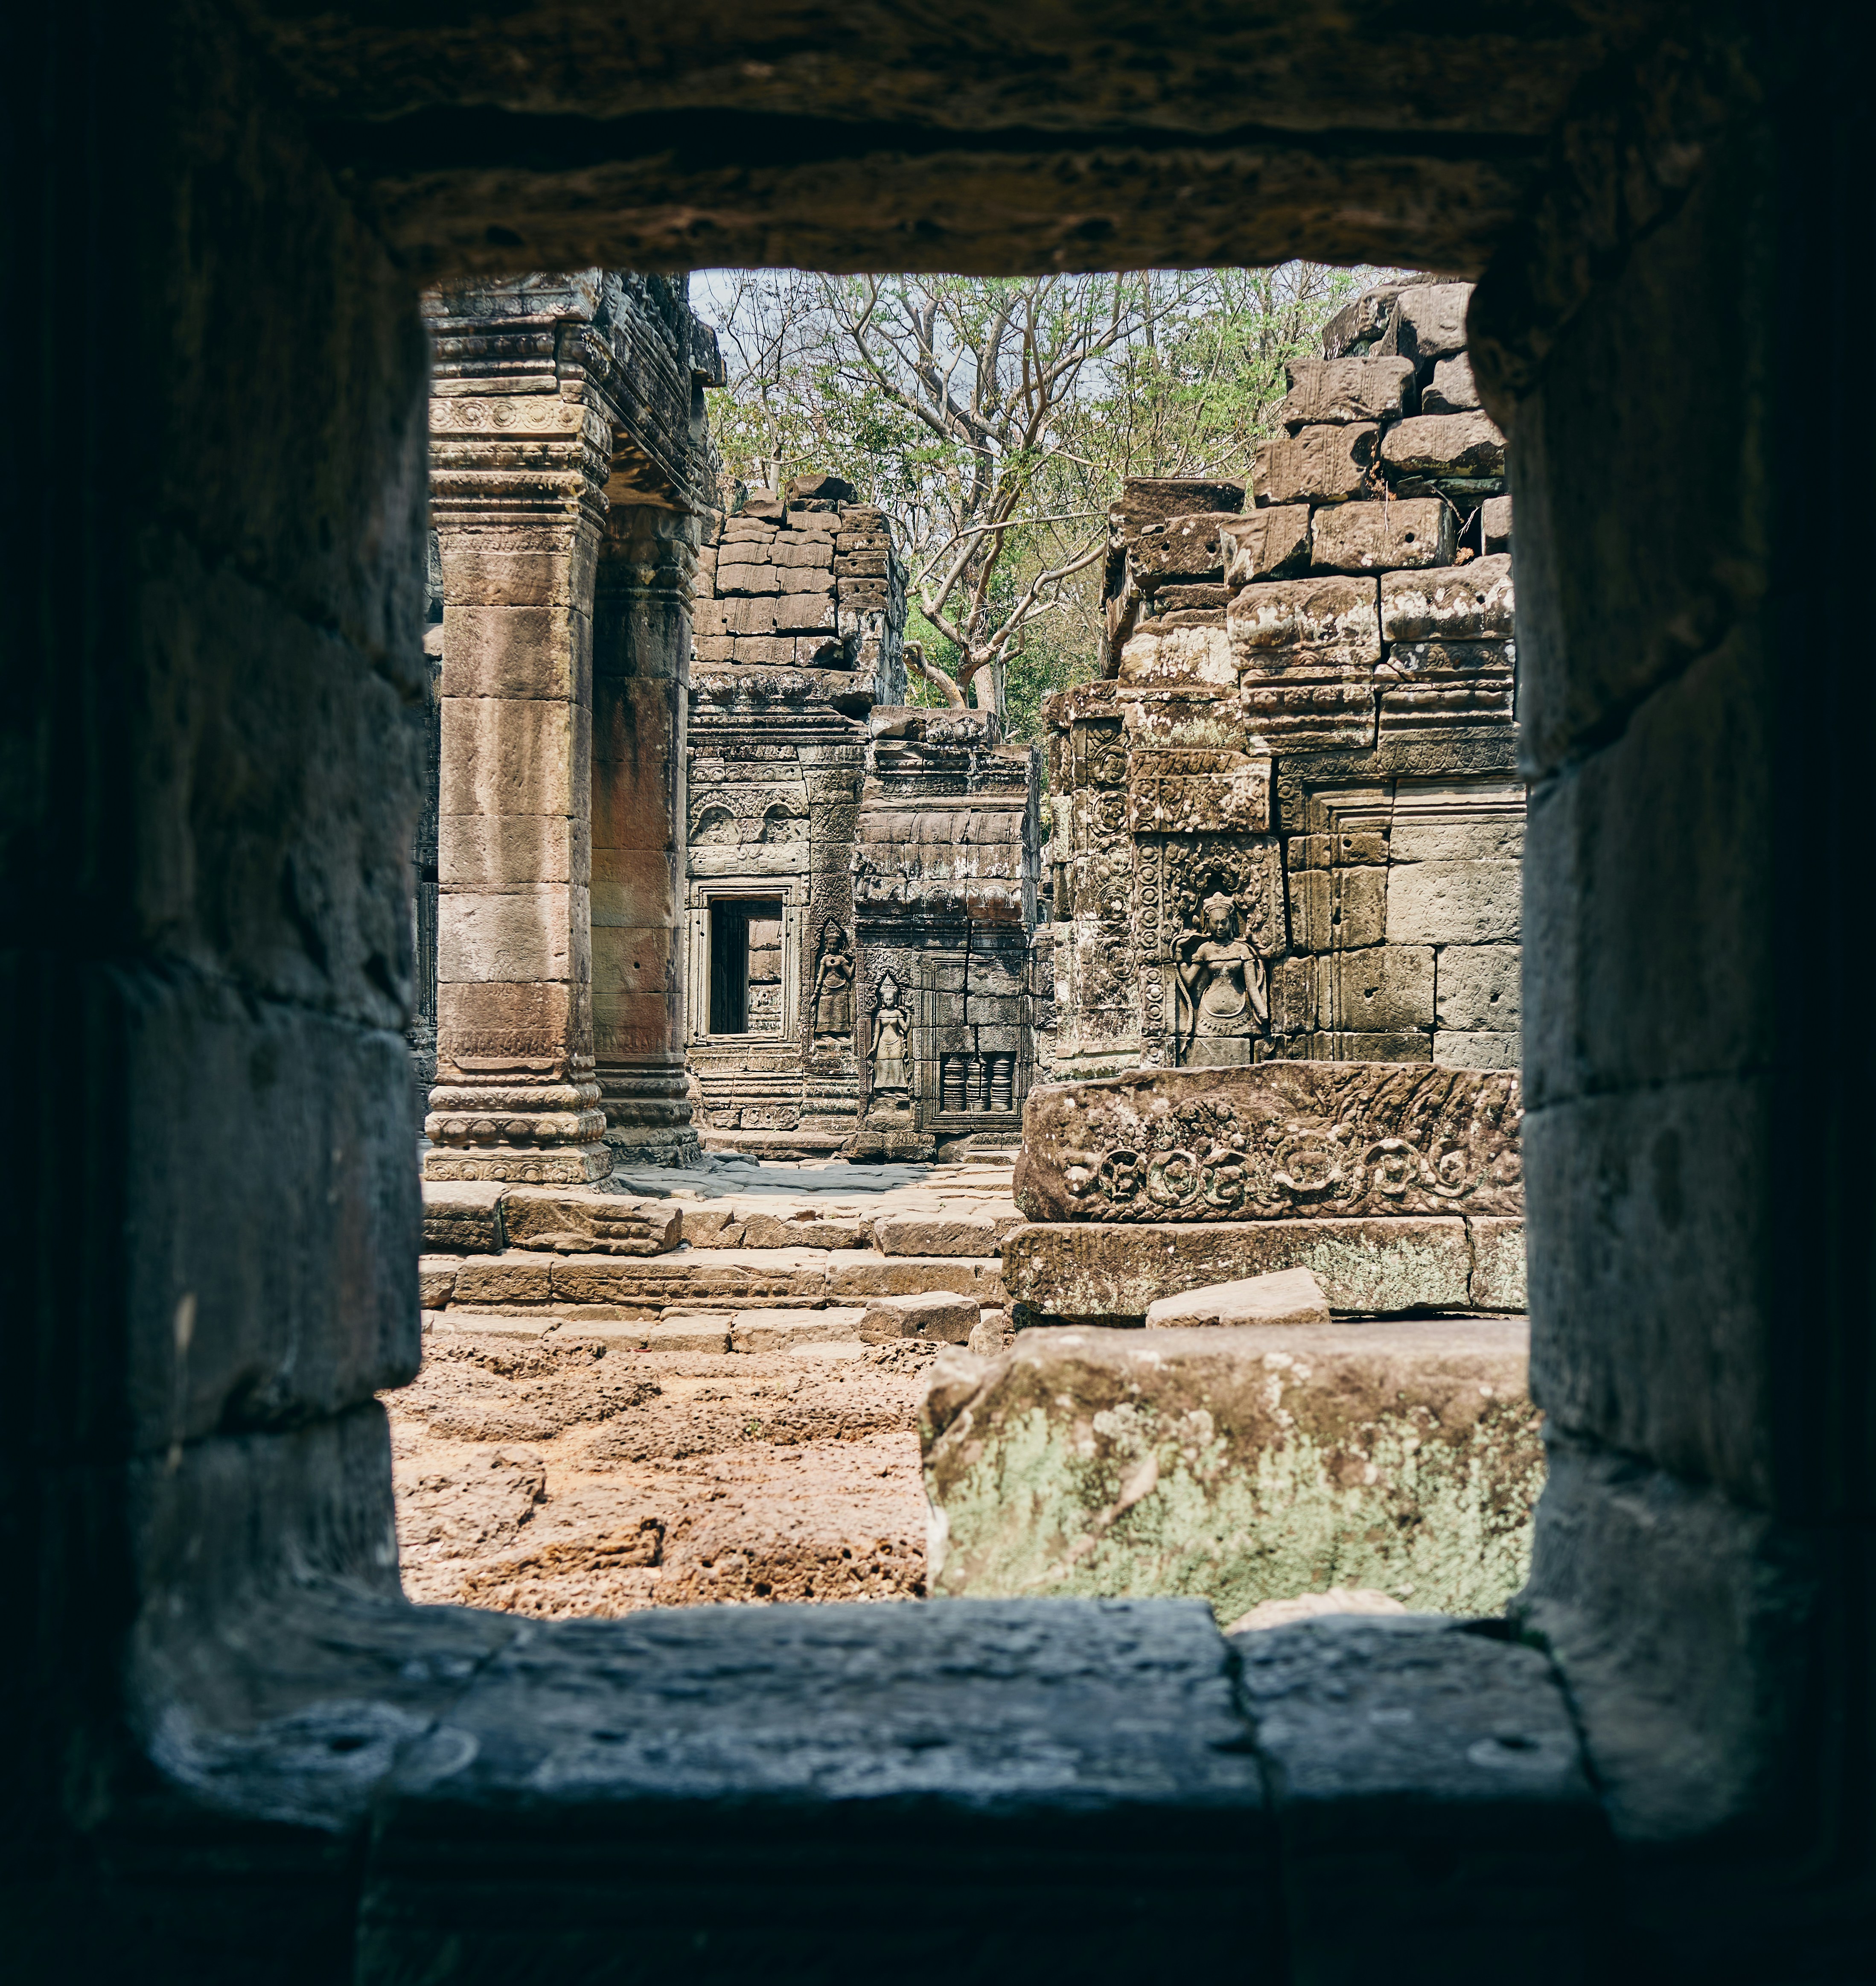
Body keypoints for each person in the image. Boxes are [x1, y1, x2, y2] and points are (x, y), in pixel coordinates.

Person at [1172, 891, 1268, 1063]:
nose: (1220, 927)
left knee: (1242, 1060)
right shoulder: (1205, 950)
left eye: (1224, 922)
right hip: (1209, 1013)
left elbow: (1252, 987)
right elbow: (1188, 980)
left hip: (1239, 1011)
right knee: (1203, 1060)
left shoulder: (1241, 950)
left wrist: (1262, 1011)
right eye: (1216, 923)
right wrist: (1179, 951)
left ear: (1231, 922)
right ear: (1208, 924)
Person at [811, 927, 854, 1035]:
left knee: (840, 1012)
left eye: (835, 944)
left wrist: (854, 962)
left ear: (840, 945)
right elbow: (820, 977)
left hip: (841, 988)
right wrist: (816, 992)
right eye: (830, 944)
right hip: (827, 988)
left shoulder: (841, 959)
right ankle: (825, 1034)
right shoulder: (825, 959)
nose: (833, 947)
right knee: (826, 1011)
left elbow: (849, 974)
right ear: (826, 944)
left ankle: (840, 1033)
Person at [871, 975, 909, 1089]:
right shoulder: (880, 1014)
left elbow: (906, 1029)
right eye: (886, 999)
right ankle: (882, 1089)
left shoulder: (898, 1013)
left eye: (891, 999)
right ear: (883, 1000)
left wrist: (909, 1015)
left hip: (896, 1042)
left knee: (896, 1066)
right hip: (882, 1043)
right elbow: (877, 1032)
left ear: (895, 999)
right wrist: (874, 1047)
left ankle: (898, 1089)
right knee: (883, 1065)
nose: (889, 1002)